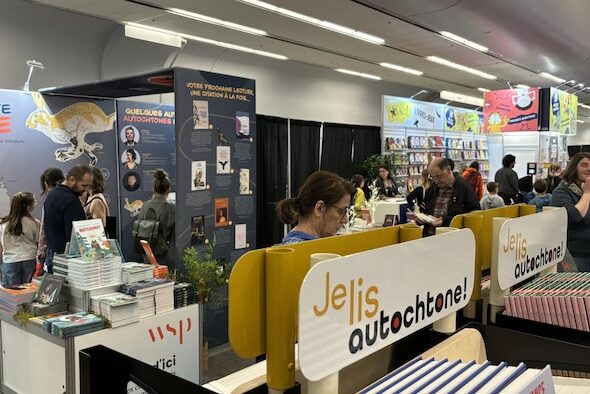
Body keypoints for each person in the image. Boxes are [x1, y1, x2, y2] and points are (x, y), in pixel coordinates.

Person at [276, 170, 355, 244]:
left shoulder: (305, 245)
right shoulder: (301, 250)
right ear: (319, 208)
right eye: (341, 211)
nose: (346, 220)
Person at [43, 165, 92, 273]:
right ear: (72, 180)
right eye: (84, 185)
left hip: (52, 254)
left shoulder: (51, 196)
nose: (86, 190)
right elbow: (76, 238)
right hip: (67, 259)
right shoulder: (71, 201)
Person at [419, 158, 480, 236]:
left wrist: (446, 220)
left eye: (438, 176)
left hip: (453, 239)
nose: (436, 180)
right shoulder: (432, 188)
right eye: (432, 177)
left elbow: (474, 215)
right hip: (430, 239)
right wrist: (420, 218)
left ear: (448, 170)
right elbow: (423, 209)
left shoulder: (465, 189)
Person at [551, 152, 590, 271]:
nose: (589, 169)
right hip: (575, 256)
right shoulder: (562, 192)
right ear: (574, 168)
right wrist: (587, 193)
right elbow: (574, 216)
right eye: (584, 165)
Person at [137, 169, 175, 266]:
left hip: (147, 256)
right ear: (168, 190)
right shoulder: (172, 208)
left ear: (153, 189)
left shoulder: (144, 206)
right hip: (165, 258)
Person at [0, 192, 39, 286]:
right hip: (29, 259)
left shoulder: (3, 223)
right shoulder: (34, 223)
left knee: (10, 294)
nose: (35, 204)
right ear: (28, 207)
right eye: (34, 202)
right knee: (28, 292)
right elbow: (38, 243)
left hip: (10, 261)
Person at [35, 168, 64, 277]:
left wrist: (41, 256)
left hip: (54, 250)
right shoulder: (73, 197)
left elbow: (43, 230)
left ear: (46, 184)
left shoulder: (49, 201)